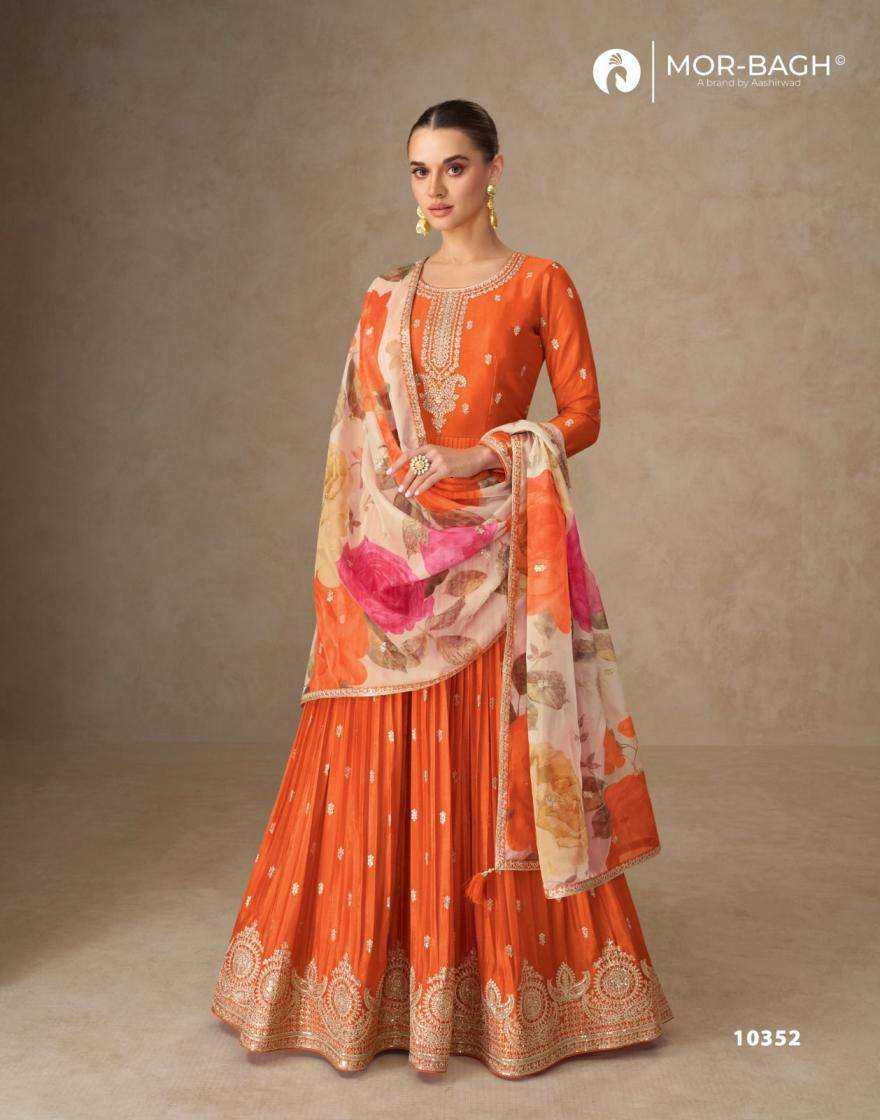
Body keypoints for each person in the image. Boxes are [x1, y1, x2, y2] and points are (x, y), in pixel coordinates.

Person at [211, 98, 673, 1080]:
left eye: (454, 166)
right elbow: (361, 435)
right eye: (419, 170)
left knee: (496, 763)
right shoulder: (386, 297)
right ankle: (366, 987)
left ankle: (504, 997)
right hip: (392, 561)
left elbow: (582, 414)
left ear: (494, 169)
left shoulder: (542, 281)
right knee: (376, 762)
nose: (435, 187)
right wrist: (372, 541)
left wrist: (482, 453)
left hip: (496, 551)